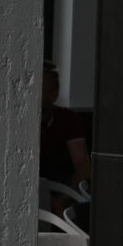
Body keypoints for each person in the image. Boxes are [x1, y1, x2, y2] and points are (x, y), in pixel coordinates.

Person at [39, 62, 92, 195]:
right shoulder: (20, 122)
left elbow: (82, 165)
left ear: (55, 94)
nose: (39, 95)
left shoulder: (68, 119)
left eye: (44, 90)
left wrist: (64, 200)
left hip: (61, 187)